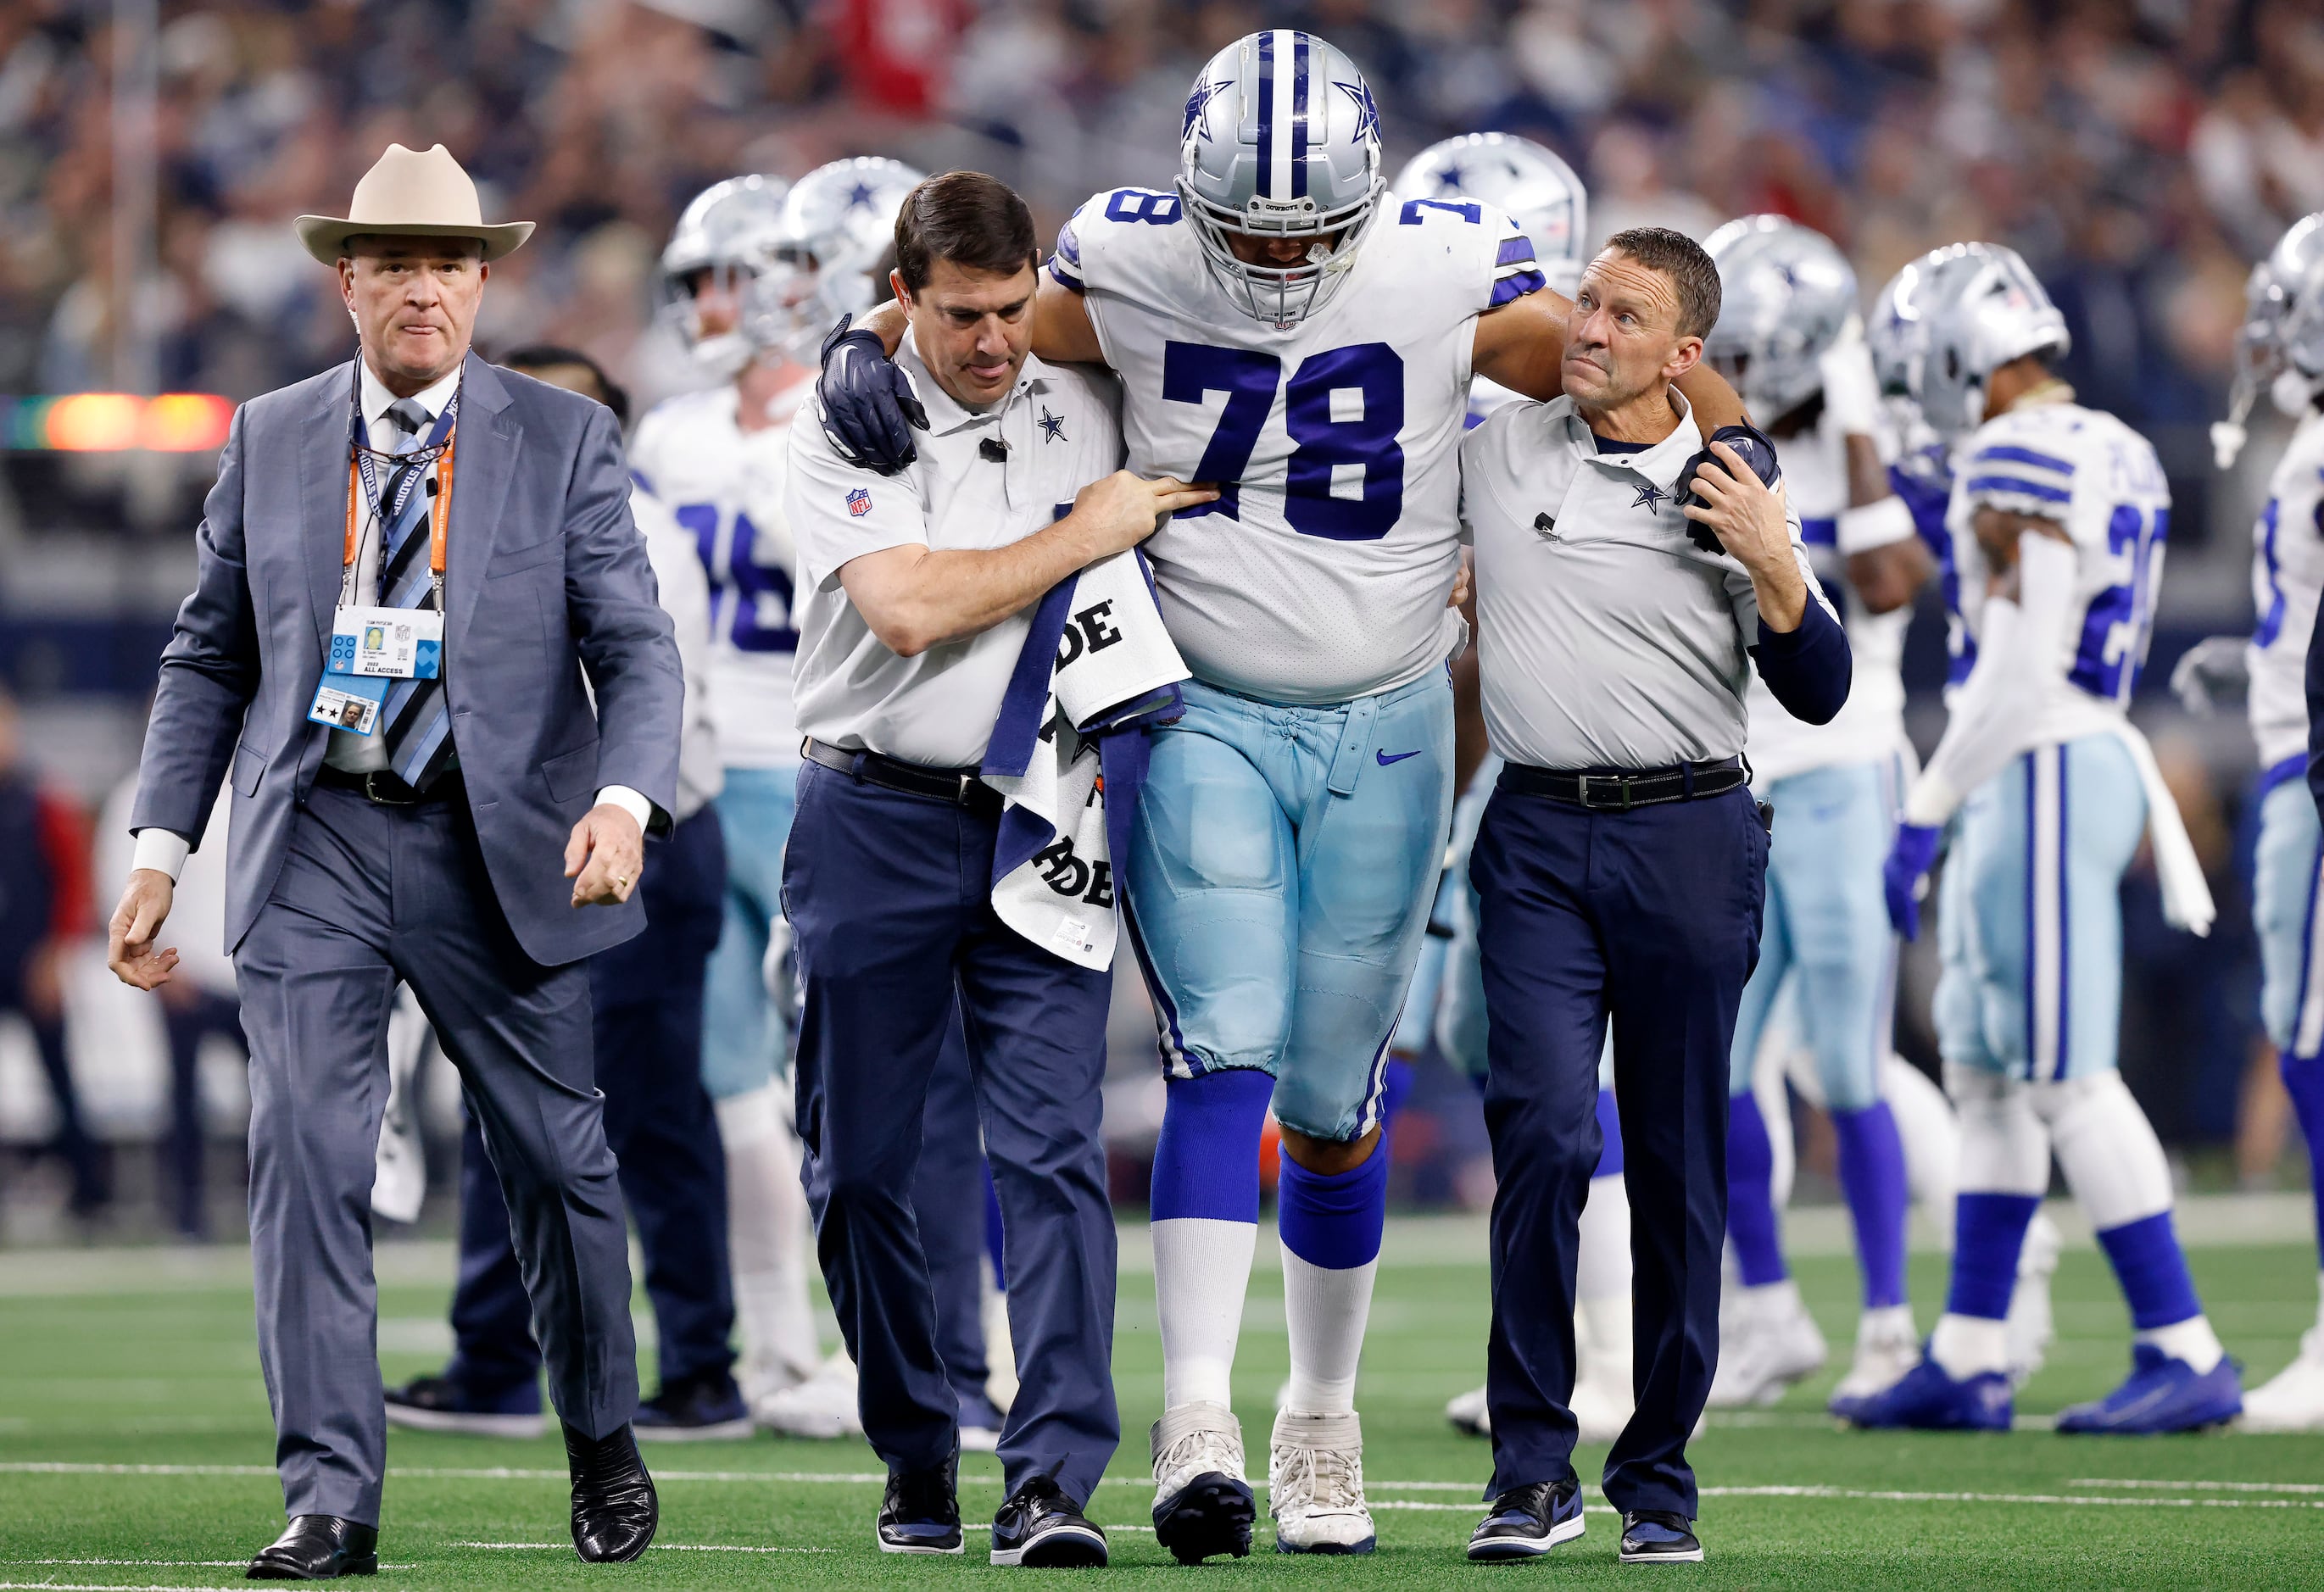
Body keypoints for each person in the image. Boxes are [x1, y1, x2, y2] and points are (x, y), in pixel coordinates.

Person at [813, 31, 1748, 1561]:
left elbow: (1612, 371)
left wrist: (1730, 434)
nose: (1272, 257)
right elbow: (972, 325)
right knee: (1219, 1054)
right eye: (1242, 226)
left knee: (1333, 1098)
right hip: (1204, 709)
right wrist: (865, 337)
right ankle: (1197, 1417)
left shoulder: (1443, 265)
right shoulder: (1124, 254)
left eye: (1306, 228)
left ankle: (1321, 1413)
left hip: (1386, 719)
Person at [103, 143, 682, 1577]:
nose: (425, 288)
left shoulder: (564, 437)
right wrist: (164, 843)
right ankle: (330, 1497)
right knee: (304, 1155)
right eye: (396, 263)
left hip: (512, 845)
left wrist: (623, 797)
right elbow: (208, 654)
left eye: (451, 263)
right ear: (345, 278)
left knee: (558, 1164)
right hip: (321, 838)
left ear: (483, 282)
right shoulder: (270, 432)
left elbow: (636, 646)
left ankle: (600, 1435)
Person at [784, 169, 1209, 1568]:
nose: (992, 340)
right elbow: (904, 610)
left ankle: (1052, 1477)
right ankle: (916, 1442)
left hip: (1044, 805)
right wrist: (1081, 536)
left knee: (1051, 1152)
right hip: (873, 817)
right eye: (961, 314)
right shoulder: (844, 414)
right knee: (862, 1172)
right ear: (903, 296)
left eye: (1013, 307)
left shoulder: (1074, 390)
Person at [1457, 226, 1850, 1565]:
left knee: (1677, 1157)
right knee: (1543, 1139)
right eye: (1584, 302)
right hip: (1531, 832)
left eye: (1624, 315)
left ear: (1685, 356)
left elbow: (1820, 687)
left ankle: (1658, 1475)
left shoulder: (1724, 484)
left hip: (1687, 828)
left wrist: (1777, 564)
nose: (1587, 328)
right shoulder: (1494, 448)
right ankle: (1527, 1466)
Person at [1847, 242, 2240, 1435]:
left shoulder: (2024, 451)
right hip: (2035, 763)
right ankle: (1971, 1348)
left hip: (2044, 761)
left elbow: (2020, 670)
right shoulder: (2104, 440)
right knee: (1981, 1065)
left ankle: (2183, 1343)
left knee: (2065, 1073)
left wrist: (1919, 812)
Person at [382, 344, 748, 1441]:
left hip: (635, 837)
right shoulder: (495, 523)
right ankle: (517, 1350)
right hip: (534, 842)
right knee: (532, 1103)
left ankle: (689, 1363)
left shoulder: (636, 532)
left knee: (634, 1112)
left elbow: (639, 699)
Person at [1388, 131, 1637, 1450]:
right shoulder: (1456, 402)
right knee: (1516, 1076)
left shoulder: (1567, 416)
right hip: (1475, 762)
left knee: (1560, 1077)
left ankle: (1603, 1351)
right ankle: (1559, 1348)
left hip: (1548, 769)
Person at [1697, 215, 1936, 1410]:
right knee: (1726, 1066)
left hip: (1846, 769)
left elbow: (1893, 580)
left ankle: (1890, 1322)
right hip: (1746, 770)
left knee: (1850, 1059)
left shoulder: (1863, 436)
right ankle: (1771, 1308)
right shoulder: (1706, 436)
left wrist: (1848, 419)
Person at [2173, 211, 2324, 1431]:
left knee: (2312, 1038)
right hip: (2289, 746)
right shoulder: (2306, 441)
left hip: (2308, 773)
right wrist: (2257, 661)